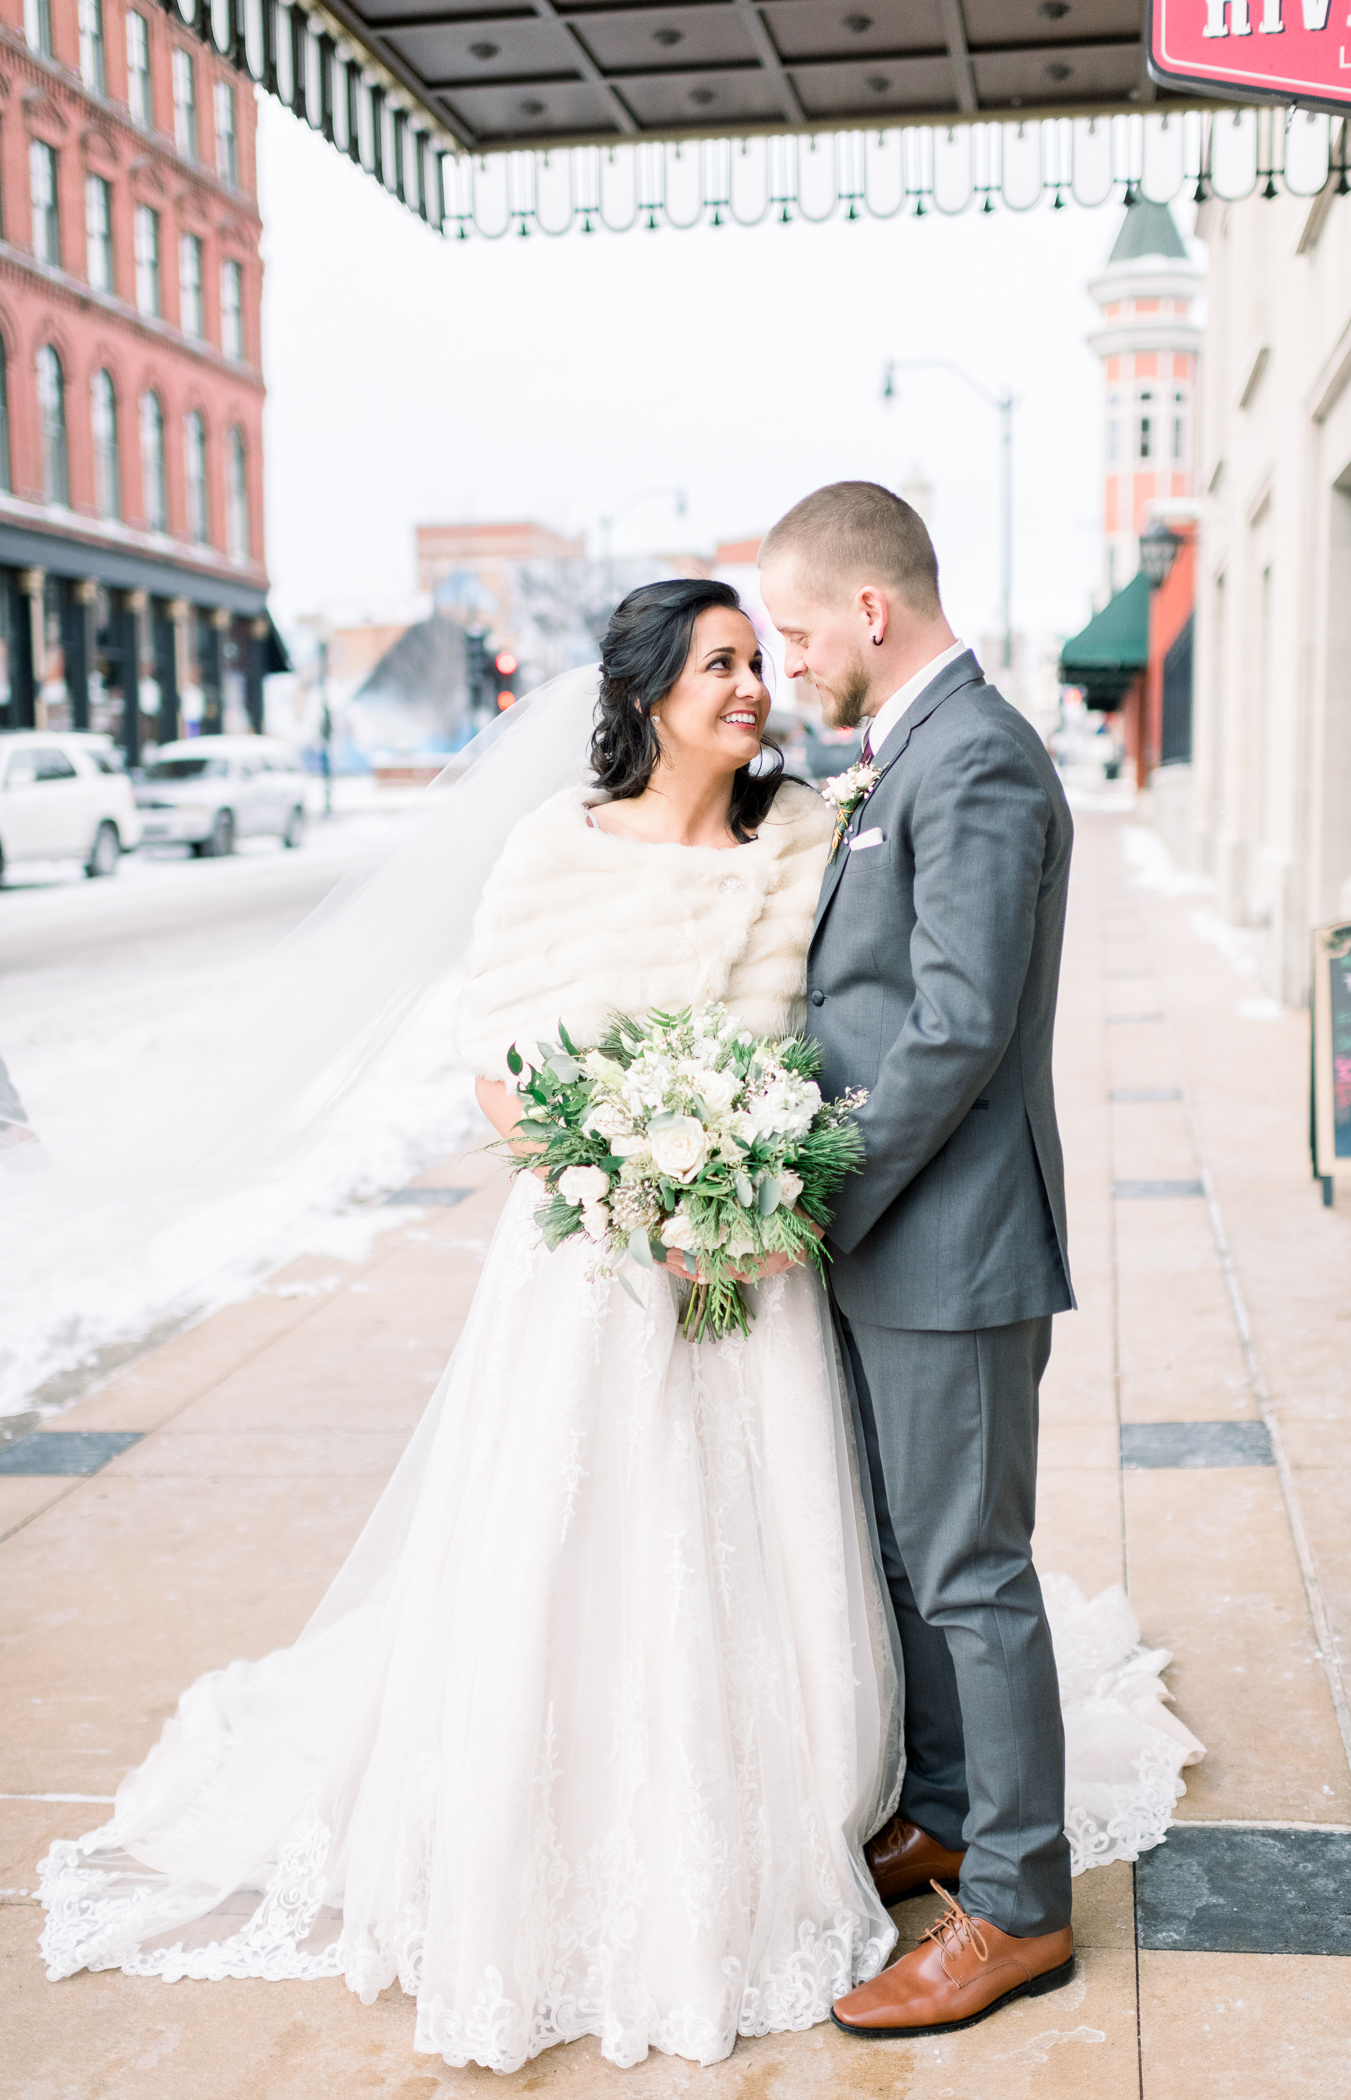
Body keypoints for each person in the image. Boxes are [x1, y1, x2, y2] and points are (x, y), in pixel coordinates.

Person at [37, 564, 1202, 2070]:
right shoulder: (549, 851)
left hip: (761, 1269)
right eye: (718, 663)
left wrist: (745, 1174)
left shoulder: (809, 833)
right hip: (591, 1273)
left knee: (800, 1552)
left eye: (756, 662)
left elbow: (879, 1016)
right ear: (647, 689)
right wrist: (621, 1178)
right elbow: (497, 1069)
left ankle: (856, 1822)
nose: (748, 687)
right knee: (575, 1557)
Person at [761, 481, 1080, 2035]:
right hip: (901, 1240)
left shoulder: (979, 761)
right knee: (909, 1556)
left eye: (801, 630)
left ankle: (1019, 1903)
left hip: (948, 1241)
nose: (792, 660)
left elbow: (956, 1028)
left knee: (972, 1570)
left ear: (871, 614)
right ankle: (950, 1809)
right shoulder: (907, 755)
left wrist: (821, 1187)